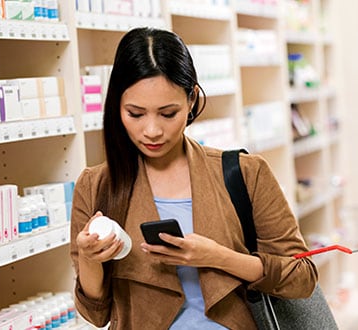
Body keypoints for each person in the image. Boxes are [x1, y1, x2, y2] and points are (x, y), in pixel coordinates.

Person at [69, 27, 318, 330]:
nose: (152, 131)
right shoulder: (96, 187)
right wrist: (89, 257)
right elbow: (96, 314)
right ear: (116, 107)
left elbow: (301, 278)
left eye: (168, 113)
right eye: (135, 114)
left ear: (191, 100)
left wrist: (218, 257)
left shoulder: (246, 172)